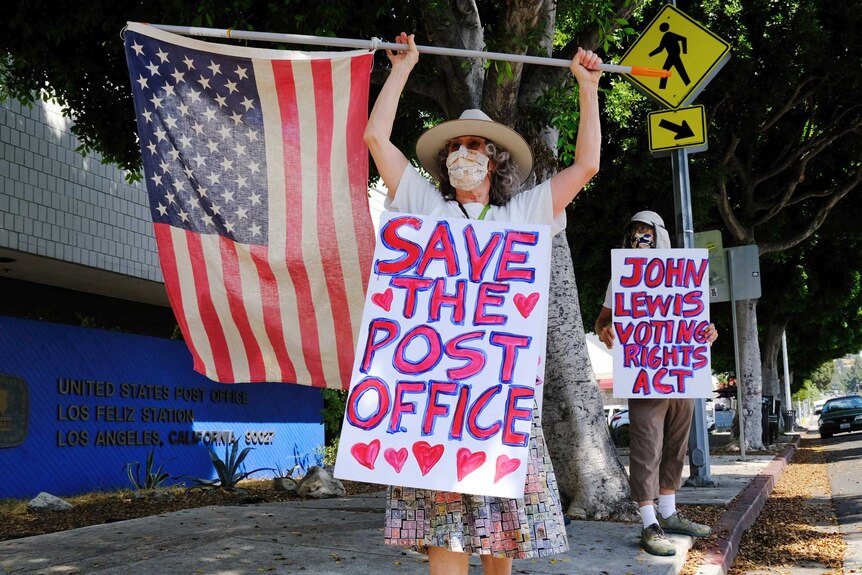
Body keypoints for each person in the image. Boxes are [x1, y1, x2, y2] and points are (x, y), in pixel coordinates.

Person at [364, 32, 602, 575]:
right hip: (439, 413)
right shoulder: (426, 208)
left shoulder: (523, 214)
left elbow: (586, 166)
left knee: (502, 545)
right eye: (452, 148)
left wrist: (587, 88)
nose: (460, 155)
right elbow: (376, 137)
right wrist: (401, 69)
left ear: (493, 160)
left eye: (472, 146)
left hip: (500, 410)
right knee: (444, 535)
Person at [593, 211, 717, 557]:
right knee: (647, 445)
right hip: (644, 373)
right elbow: (604, 319)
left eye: (645, 234)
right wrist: (606, 330)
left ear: (660, 236)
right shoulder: (622, 277)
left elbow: (698, 321)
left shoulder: (684, 275)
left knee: (676, 444)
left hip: (680, 373)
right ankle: (649, 521)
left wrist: (710, 333)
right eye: (633, 234)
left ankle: (669, 512)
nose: (639, 240)